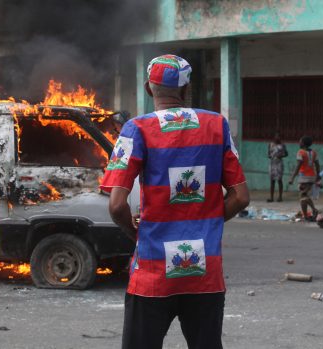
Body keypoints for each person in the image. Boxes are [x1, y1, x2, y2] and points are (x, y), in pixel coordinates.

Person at [100, 54, 250, 349]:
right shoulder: (216, 125)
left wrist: (138, 233)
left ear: (147, 88)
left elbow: (117, 205)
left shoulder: (136, 129)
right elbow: (240, 196)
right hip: (204, 272)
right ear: (186, 89)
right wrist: (206, 223)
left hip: (153, 274)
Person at [288, 136, 320, 221]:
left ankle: (313, 210)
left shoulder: (300, 152)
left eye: (300, 141)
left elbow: (298, 166)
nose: (299, 143)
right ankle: (307, 215)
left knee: (302, 197)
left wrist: (292, 177)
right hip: (312, 177)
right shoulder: (314, 152)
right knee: (305, 196)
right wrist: (318, 176)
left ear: (303, 143)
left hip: (303, 177)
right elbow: (317, 165)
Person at [267, 132, 288, 202]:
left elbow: (286, 154)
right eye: (276, 137)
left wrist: (281, 155)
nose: (277, 138)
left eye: (278, 137)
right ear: (274, 137)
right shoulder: (270, 144)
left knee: (279, 180)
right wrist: (270, 156)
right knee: (272, 181)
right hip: (272, 164)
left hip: (279, 164)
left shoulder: (282, 145)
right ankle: (271, 197)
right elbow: (268, 154)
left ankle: (280, 197)